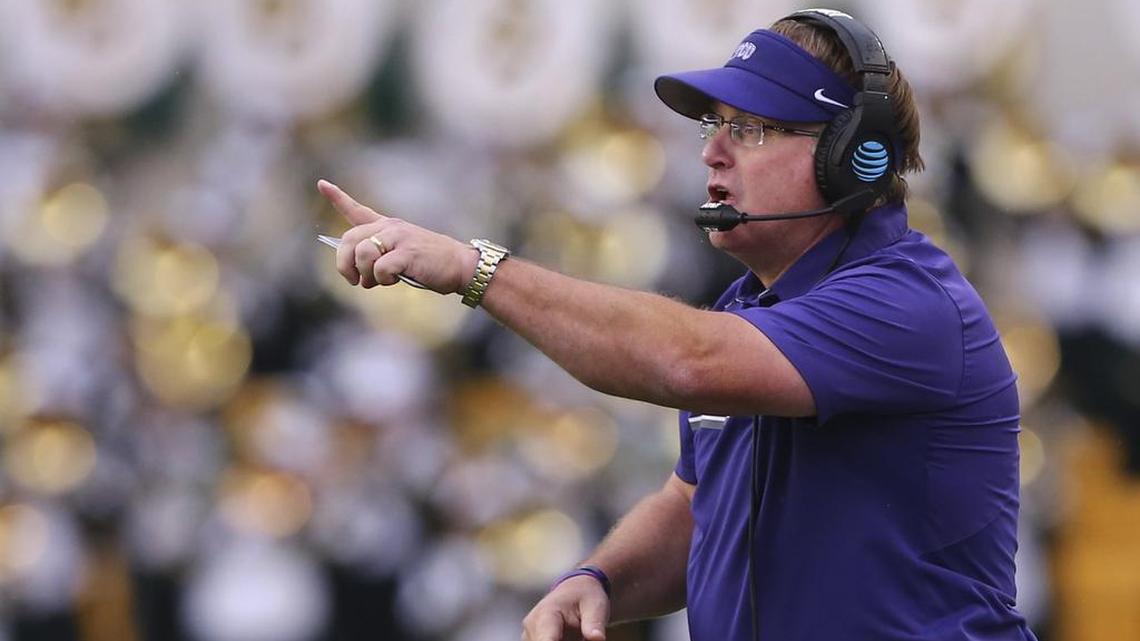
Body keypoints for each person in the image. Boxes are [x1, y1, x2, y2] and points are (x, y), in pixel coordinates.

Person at [318, 8, 1037, 641]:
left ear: (854, 153)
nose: (712, 151)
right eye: (714, 125)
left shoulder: (906, 300)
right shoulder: (745, 310)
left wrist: (476, 269)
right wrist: (600, 580)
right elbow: (697, 510)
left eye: (752, 129)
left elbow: (686, 361)